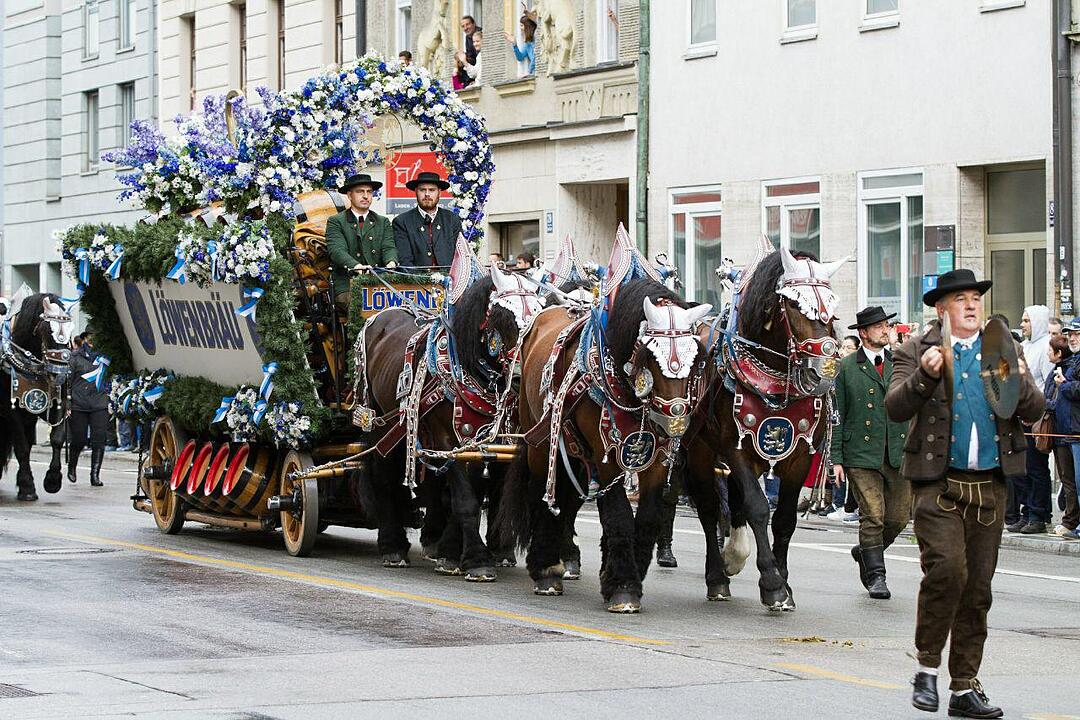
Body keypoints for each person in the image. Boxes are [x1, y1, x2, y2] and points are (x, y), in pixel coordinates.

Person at [887, 269, 1043, 718]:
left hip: (990, 486)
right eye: (961, 299)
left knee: (977, 590)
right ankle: (926, 668)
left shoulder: (1003, 348)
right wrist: (925, 375)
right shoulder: (915, 349)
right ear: (942, 309)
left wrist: (1018, 379)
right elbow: (896, 406)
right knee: (947, 571)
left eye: (976, 297)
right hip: (938, 484)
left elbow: (1034, 409)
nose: (972, 305)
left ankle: (963, 687)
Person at [830, 306, 911, 599]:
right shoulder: (846, 367)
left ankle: (866, 550)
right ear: (863, 333)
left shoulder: (900, 363)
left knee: (898, 518)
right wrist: (836, 459)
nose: (885, 330)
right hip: (861, 453)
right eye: (878, 326)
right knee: (873, 515)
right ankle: (876, 575)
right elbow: (837, 415)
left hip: (897, 451)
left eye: (886, 325)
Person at [325, 173, 397, 306]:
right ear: (349, 195)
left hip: (379, 281)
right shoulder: (336, 221)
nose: (365, 196)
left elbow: (389, 247)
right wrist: (356, 266)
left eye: (369, 192)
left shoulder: (383, 221)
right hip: (347, 283)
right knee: (361, 303)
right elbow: (337, 250)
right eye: (360, 192)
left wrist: (391, 262)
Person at [1014, 304, 1053, 534]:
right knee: (1022, 468)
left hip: (1036, 418)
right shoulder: (1025, 346)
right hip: (1020, 415)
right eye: (1022, 320)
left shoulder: (1045, 347)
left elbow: (1047, 385)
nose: (1022, 325)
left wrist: (1037, 410)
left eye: (1027, 320)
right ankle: (1026, 511)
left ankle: (1038, 514)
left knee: (1036, 468)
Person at [68, 332, 112, 487]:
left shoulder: (105, 357)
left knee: (99, 440)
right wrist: (68, 404)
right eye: (90, 336)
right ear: (84, 338)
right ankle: (72, 466)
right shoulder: (75, 357)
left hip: (99, 403)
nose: (93, 339)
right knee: (79, 440)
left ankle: (95, 475)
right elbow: (68, 382)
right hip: (79, 403)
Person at [392, 171, 462, 267]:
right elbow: (405, 261)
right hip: (414, 276)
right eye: (422, 190)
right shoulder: (402, 222)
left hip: (449, 276)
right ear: (416, 191)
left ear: (439, 193)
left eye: (432, 190)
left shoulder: (452, 220)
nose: (427, 194)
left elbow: (459, 256)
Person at [1051, 334, 1080, 539]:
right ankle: (1072, 521)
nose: (1073, 338)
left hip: (1076, 430)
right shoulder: (1073, 361)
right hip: (1065, 430)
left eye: (1077, 334)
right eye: (1070, 334)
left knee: (1078, 481)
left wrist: (1064, 384)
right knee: (1071, 481)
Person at [458, 15, 481, 88]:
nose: (465, 28)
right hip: (476, 66)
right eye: (463, 26)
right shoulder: (468, 37)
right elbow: (470, 56)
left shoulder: (481, 33)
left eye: (467, 24)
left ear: (474, 24)